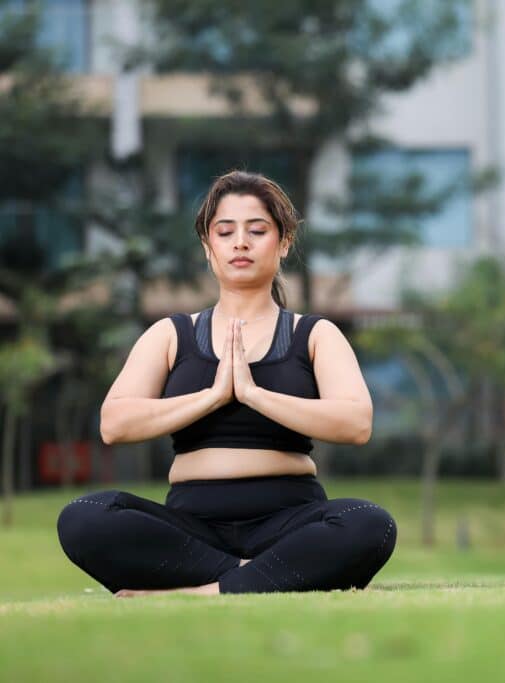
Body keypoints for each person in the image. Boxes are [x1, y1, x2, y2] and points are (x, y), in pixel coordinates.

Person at [57, 171, 396, 596]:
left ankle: (204, 590)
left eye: (257, 230)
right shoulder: (170, 334)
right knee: (85, 515)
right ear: (207, 246)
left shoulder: (315, 334)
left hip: (288, 523)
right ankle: (261, 576)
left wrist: (254, 394)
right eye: (225, 231)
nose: (241, 243)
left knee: (370, 523)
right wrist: (212, 396)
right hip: (192, 531)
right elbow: (115, 423)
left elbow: (356, 423)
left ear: (284, 242)